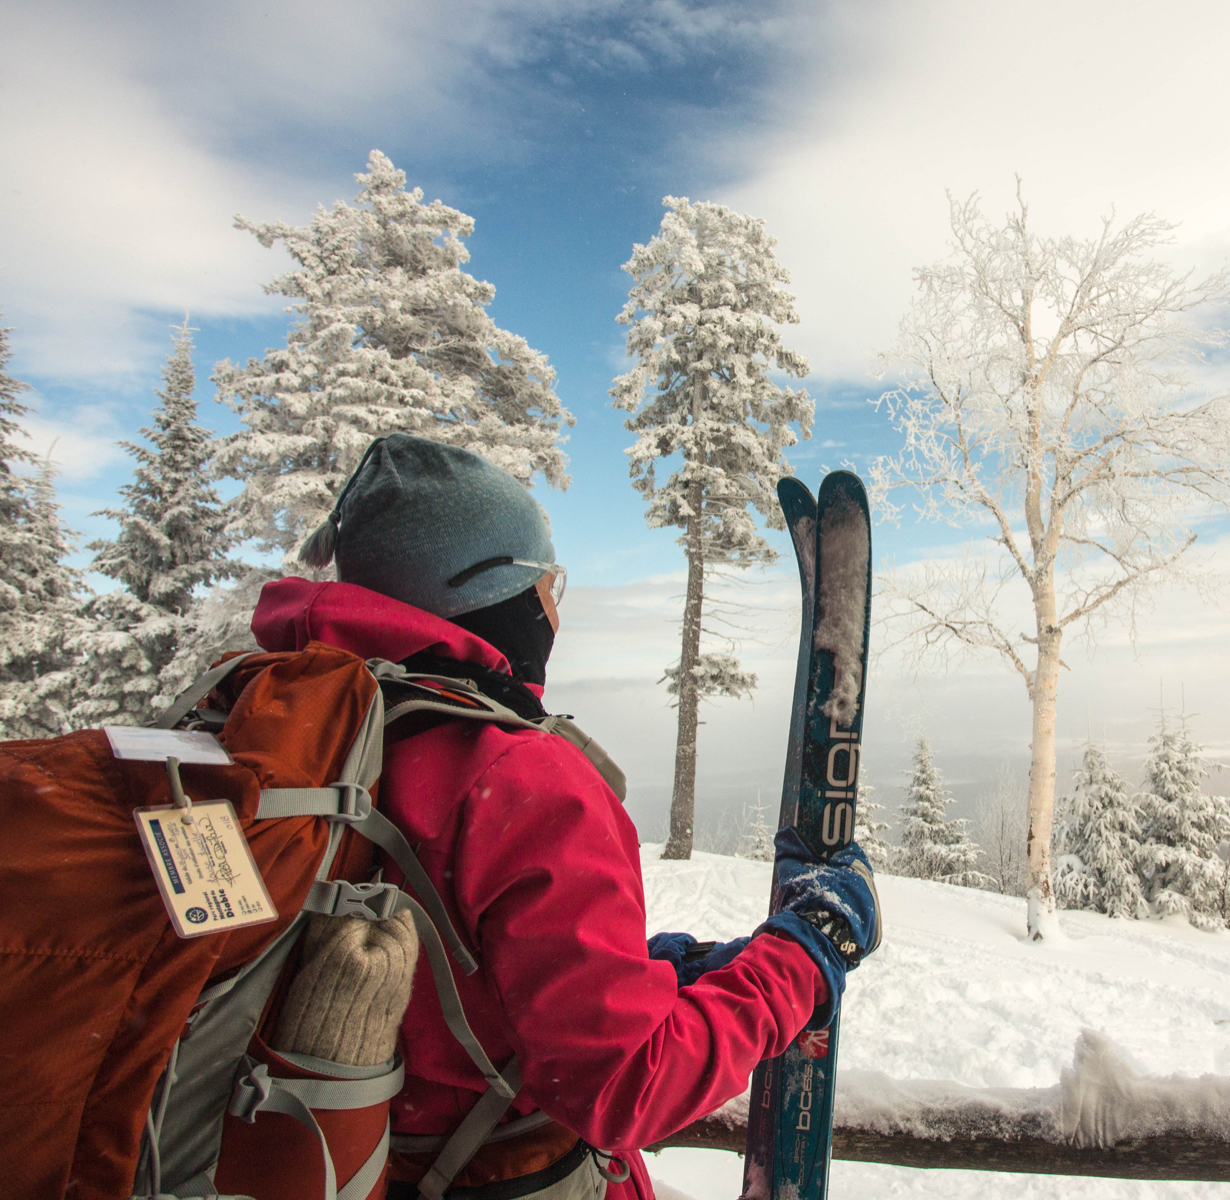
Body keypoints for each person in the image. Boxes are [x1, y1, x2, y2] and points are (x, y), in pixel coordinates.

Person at [255, 432, 879, 1199]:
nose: (554, 606)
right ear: (488, 591)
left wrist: (645, 969)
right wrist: (807, 954)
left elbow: (428, 970)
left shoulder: (301, 730)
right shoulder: (520, 781)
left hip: (352, 1161)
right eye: (549, 582)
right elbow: (627, 1088)